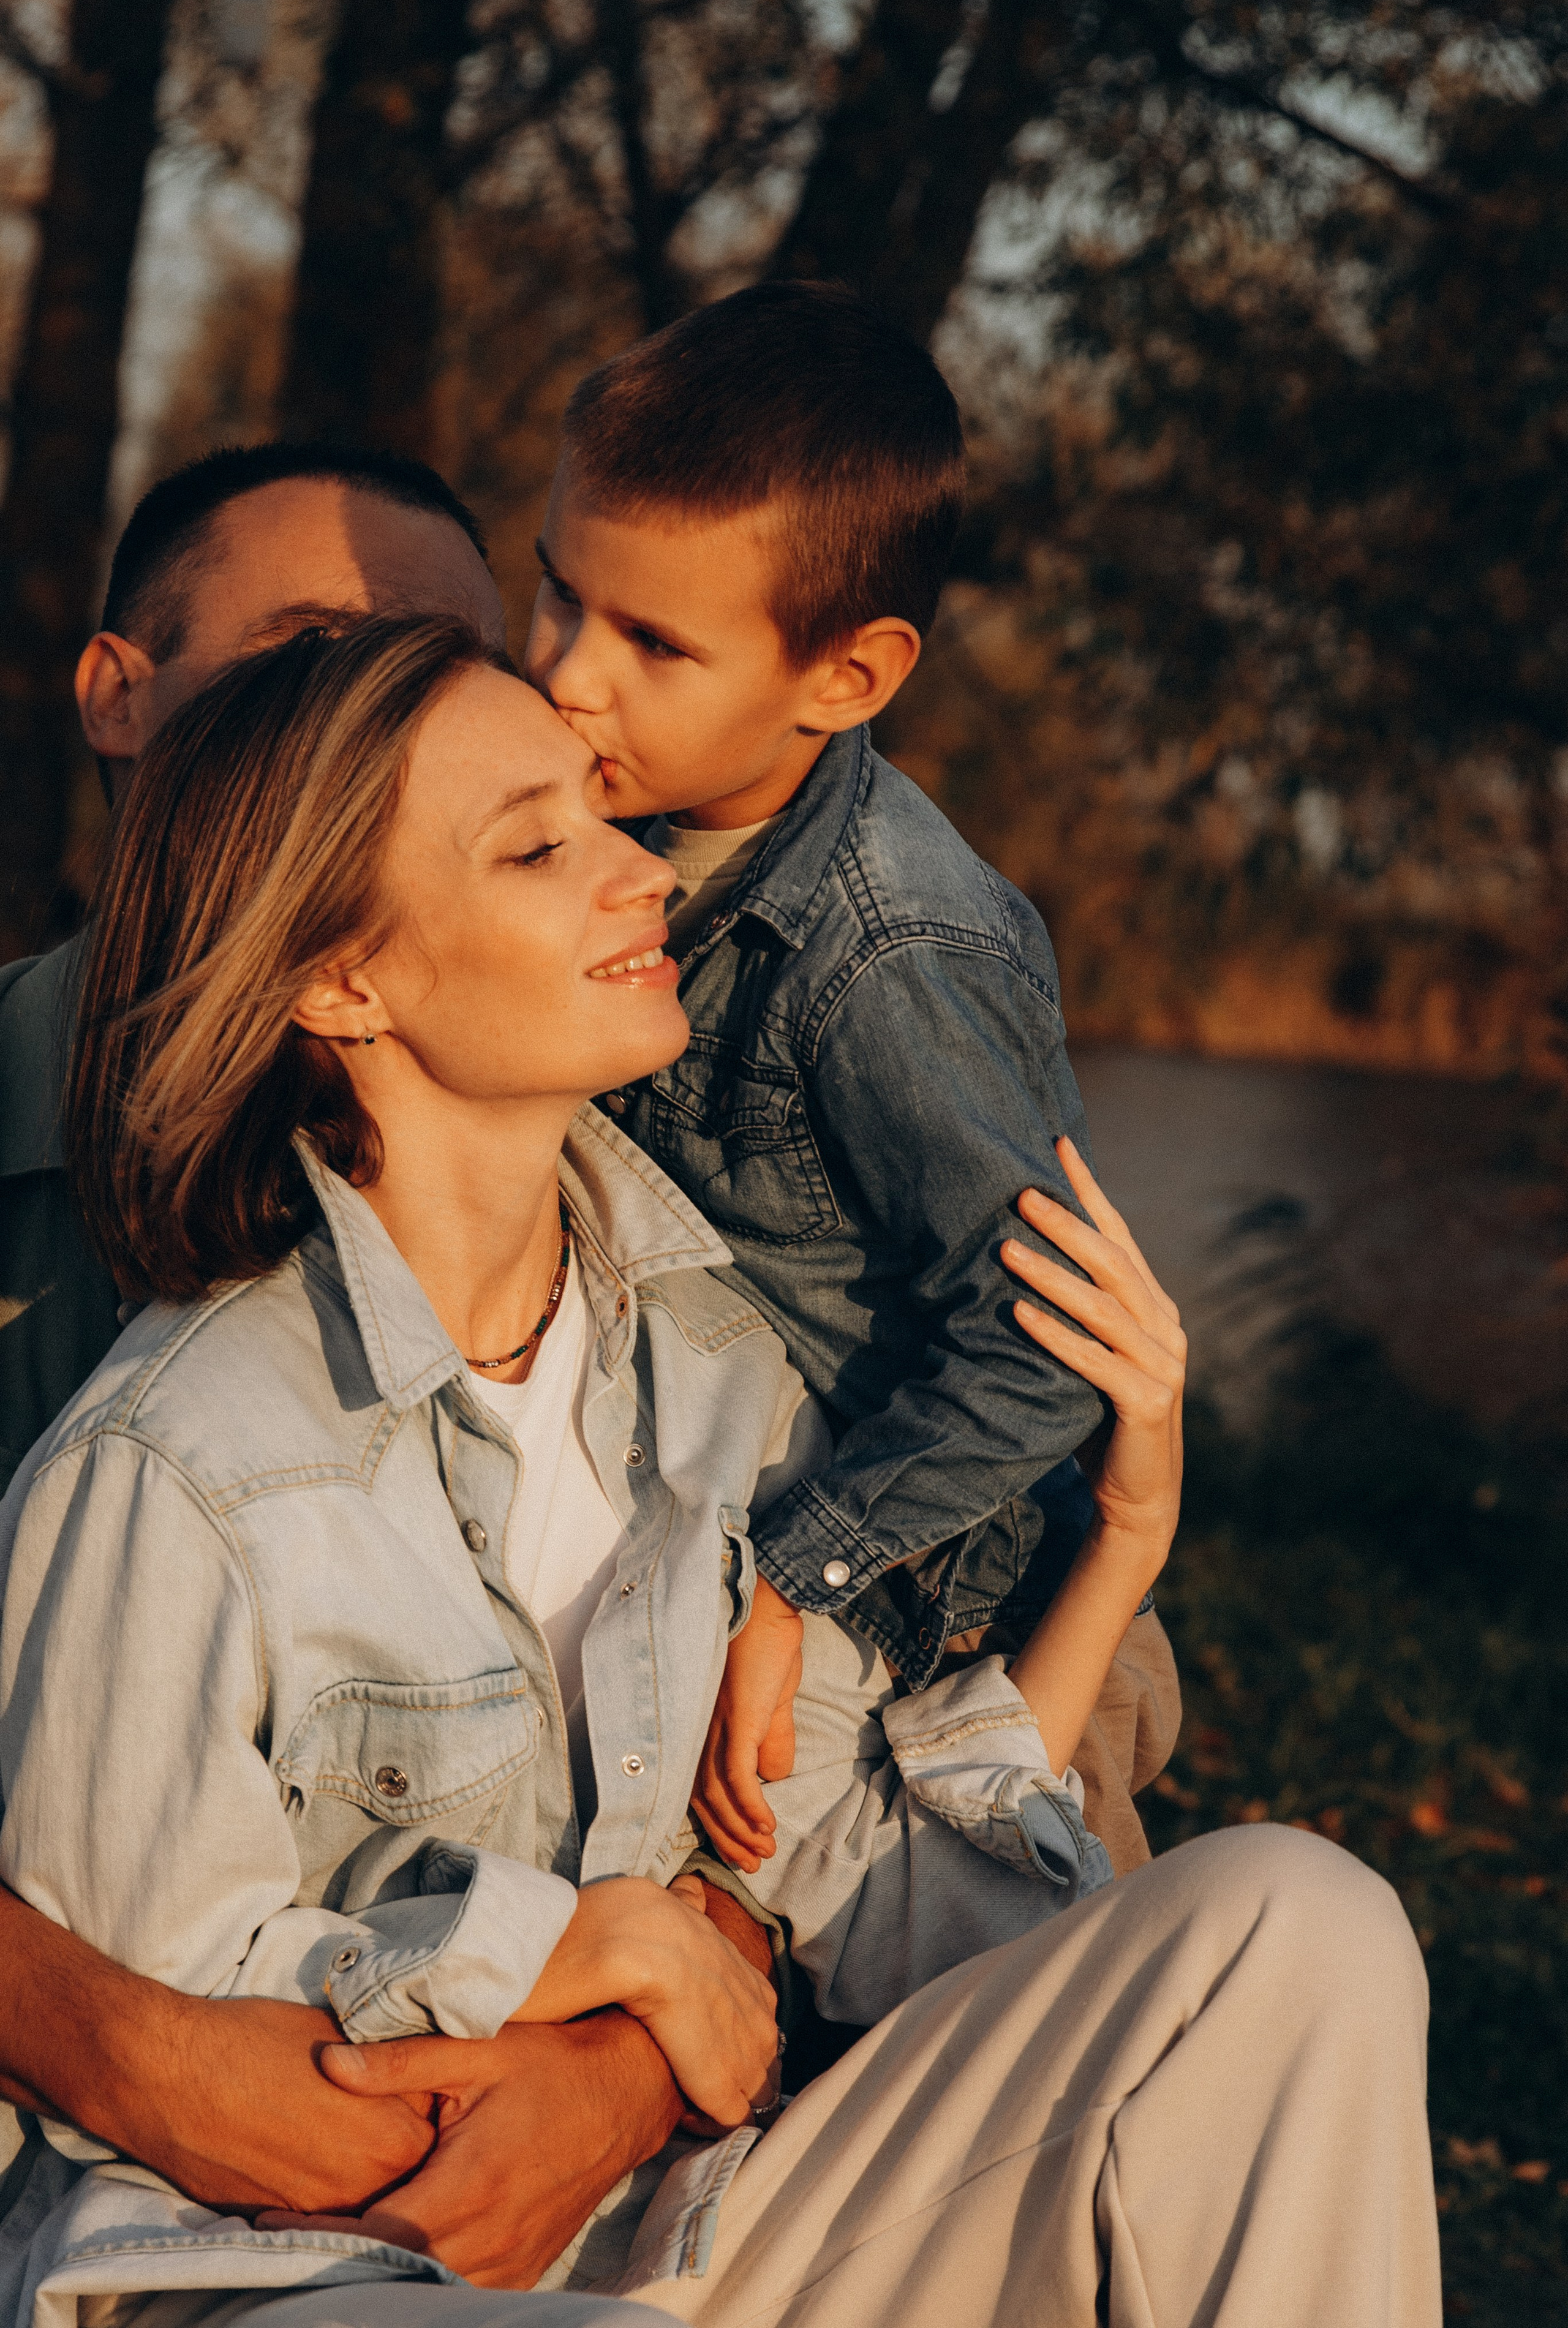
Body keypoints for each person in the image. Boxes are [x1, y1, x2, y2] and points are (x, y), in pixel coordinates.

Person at [0, 613, 1440, 2327]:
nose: (637, 876)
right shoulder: (171, 1464)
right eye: (539, 848)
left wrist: (1128, 1533)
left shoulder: (713, 1365)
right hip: (283, 2277)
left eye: (608, 819)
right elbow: (146, 2029)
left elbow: (835, 1871)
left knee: (1295, 1924)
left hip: (676, 2229)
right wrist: (568, 1942)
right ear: (344, 981)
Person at [523, 281, 1177, 1878]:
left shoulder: (891, 958)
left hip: (945, 1617)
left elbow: (1045, 1357)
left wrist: (789, 1579)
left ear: (851, 676)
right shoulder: (625, 811)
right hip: (724, 1512)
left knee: (1051, 2003)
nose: (566, 676)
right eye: (556, 596)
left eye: (652, 643)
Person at [0, 439, 508, 1493]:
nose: (392, 722)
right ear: (116, 698)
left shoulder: (603, 1147)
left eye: (454, 677)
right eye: (316, 652)